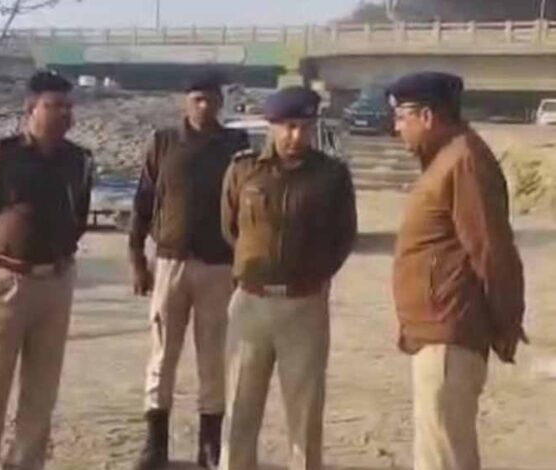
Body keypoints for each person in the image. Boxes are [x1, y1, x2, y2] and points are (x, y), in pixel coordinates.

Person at [0, 71, 93, 470]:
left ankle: (25, 463)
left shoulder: (79, 161)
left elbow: (79, 216)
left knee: (41, 392)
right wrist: (5, 256)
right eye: (54, 105)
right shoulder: (2, 156)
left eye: (68, 106)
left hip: (56, 282)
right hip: (8, 282)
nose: (64, 114)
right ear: (31, 109)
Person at [387, 72, 526, 470]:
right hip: (439, 329)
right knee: (441, 451)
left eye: (401, 117)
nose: (397, 128)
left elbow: (491, 250)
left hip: (450, 332)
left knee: (442, 458)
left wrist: (505, 322)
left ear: (427, 116)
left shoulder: (462, 161)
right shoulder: (447, 159)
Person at [219, 86, 357, 470]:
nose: (296, 136)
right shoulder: (244, 170)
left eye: (304, 127)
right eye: (288, 126)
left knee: (305, 412)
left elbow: (343, 237)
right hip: (250, 303)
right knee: (239, 406)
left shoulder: (330, 175)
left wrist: (312, 276)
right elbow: (230, 229)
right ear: (272, 126)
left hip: (304, 305)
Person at [129, 73, 249, 469]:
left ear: (220, 103)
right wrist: (136, 257)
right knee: (162, 353)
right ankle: (155, 443)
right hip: (170, 262)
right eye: (197, 99)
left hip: (219, 265)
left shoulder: (234, 146)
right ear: (185, 101)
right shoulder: (164, 143)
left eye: (211, 99)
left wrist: (245, 263)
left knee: (213, 356)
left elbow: (246, 207)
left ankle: (209, 445)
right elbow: (144, 201)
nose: (204, 106)